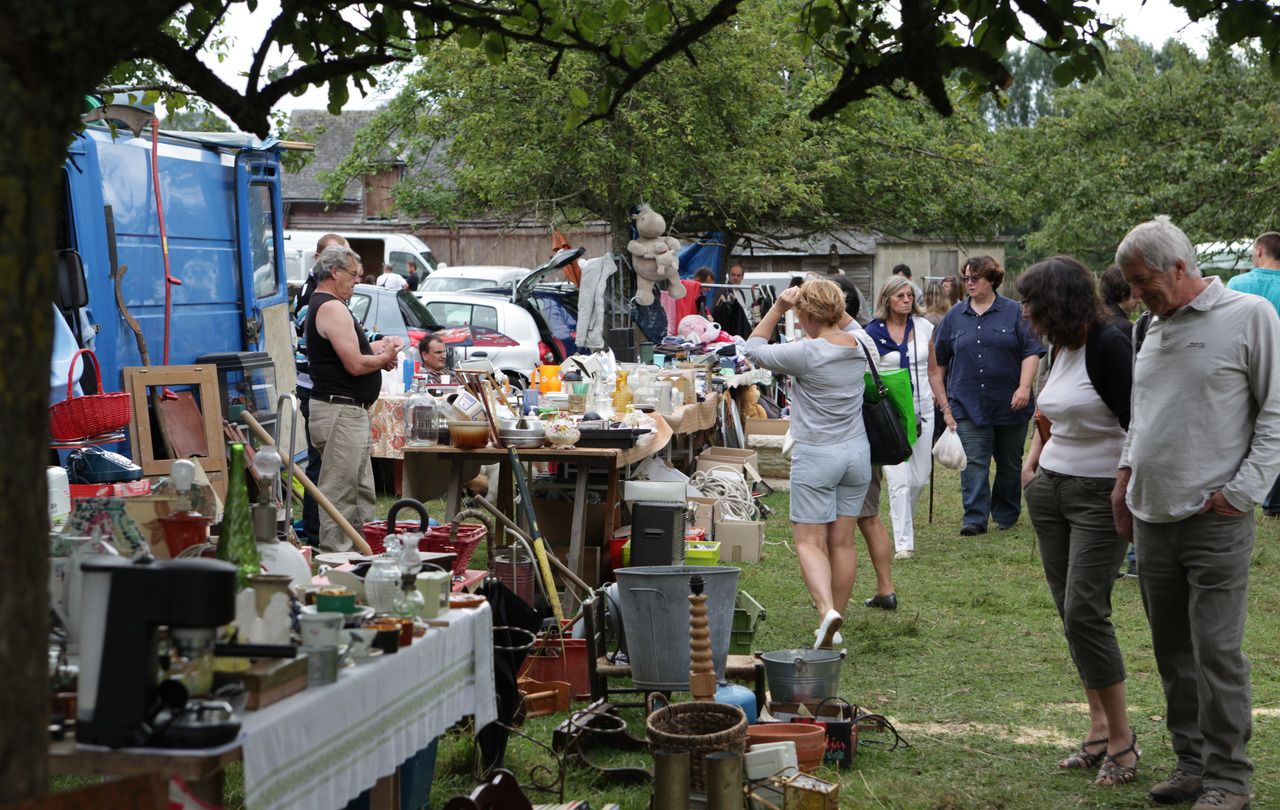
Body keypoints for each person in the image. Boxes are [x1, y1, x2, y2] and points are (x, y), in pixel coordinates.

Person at [1112, 216, 1280, 810]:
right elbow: (1143, 411)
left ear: (1178, 267)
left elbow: (1276, 412)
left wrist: (1242, 492)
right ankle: (1191, 764)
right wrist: (1126, 474)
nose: (1136, 296)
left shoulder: (1250, 316)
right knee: (1173, 652)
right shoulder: (1151, 328)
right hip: (1152, 515)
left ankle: (1229, 779)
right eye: (1131, 286)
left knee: (1216, 652)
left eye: (1142, 282)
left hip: (1216, 519)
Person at [1016, 257, 1138, 787]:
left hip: (1099, 494)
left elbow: (1140, 420)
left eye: (1031, 302)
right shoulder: (1060, 343)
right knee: (1071, 613)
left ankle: (1123, 741)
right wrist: (1035, 455)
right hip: (1053, 490)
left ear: (1057, 302)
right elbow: (1053, 410)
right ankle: (1096, 731)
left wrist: (1124, 483)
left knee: (1086, 612)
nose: (1024, 312)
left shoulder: (1112, 342)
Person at [743, 279, 871, 647]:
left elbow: (753, 348)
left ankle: (826, 611)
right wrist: (826, 302)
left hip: (817, 454)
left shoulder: (804, 352)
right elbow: (848, 322)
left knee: (809, 541)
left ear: (806, 315)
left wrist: (779, 307)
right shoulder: (863, 343)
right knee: (843, 541)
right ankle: (834, 623)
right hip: (856, 453)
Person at [930, 255, 1043, 536]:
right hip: (966, 402)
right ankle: (975, 517)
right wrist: (942, 399)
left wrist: (1024, 387)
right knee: (974, 461)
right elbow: (939, 360)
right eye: (965, 278)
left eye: (976, 278)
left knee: (1008, 462)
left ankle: (1006, 513)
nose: (969, 283)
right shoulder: (954, 316)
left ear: (992, 280)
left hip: (1010, 402)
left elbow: (1031, 351)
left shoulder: (1015, 312)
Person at [306, 245, 403, 551]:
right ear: (334, 272)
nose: (356, 282)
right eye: (353, 275)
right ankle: (336, 564)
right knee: (339, 495)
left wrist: (379, 352)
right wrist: (383, 356)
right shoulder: (331, 307)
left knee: (360, 492)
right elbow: (354, 364)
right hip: (340, 411)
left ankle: (362, 556)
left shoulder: (330, 305)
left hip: (347, 410)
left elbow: (354, 355)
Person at [829, 274, 898, 610]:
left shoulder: (825, 345)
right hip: (869, 441)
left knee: (836, 528)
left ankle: (831, 598)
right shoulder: (863, 339)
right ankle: (886, 588)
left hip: (840, 444)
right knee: (869, 518)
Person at [865, 276, 935, 561]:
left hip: (923, 409)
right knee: (898, 480)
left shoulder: (925, 327)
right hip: (891, 413)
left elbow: (934, 370)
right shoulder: (872, 332)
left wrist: (944, 404)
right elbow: (867, 372)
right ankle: (903, 543)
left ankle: (903, 515)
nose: (907, 301)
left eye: (909, 296)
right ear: (887, 300)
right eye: (900, 296)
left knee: (919, 479)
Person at [295, 233, 349, 545]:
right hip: (313, 387)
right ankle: (315, 533)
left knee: (327, 464)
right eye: (332, 256)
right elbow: (319, 333)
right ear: (318, 258)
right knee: (320, 465)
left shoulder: (329, 294)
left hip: (320, 385)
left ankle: (325, 528)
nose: (337, 265)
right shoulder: (311, 293)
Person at [1227, 232, 1280, 519]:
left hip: (1244, 370)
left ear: (1260, 251)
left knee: (1243, 430)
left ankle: (1238, 487)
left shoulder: (1238, 284)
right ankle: (1273, 501)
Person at [1100, 265, 1139, 337]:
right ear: (1122, 293)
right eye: (1134, 291)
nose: (1139, 299)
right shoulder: (1126, 328)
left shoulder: (1097, 319)